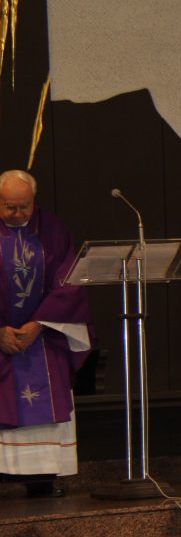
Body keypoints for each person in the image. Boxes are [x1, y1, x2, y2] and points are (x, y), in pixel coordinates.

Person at [0, 170, 93, 497]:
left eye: (24, 206)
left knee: (45, 395)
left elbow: (70, 282)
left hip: (42, 338)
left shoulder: (53, 231)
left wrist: (39, 324)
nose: (18, 214)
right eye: (9, 207)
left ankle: (42, 478)